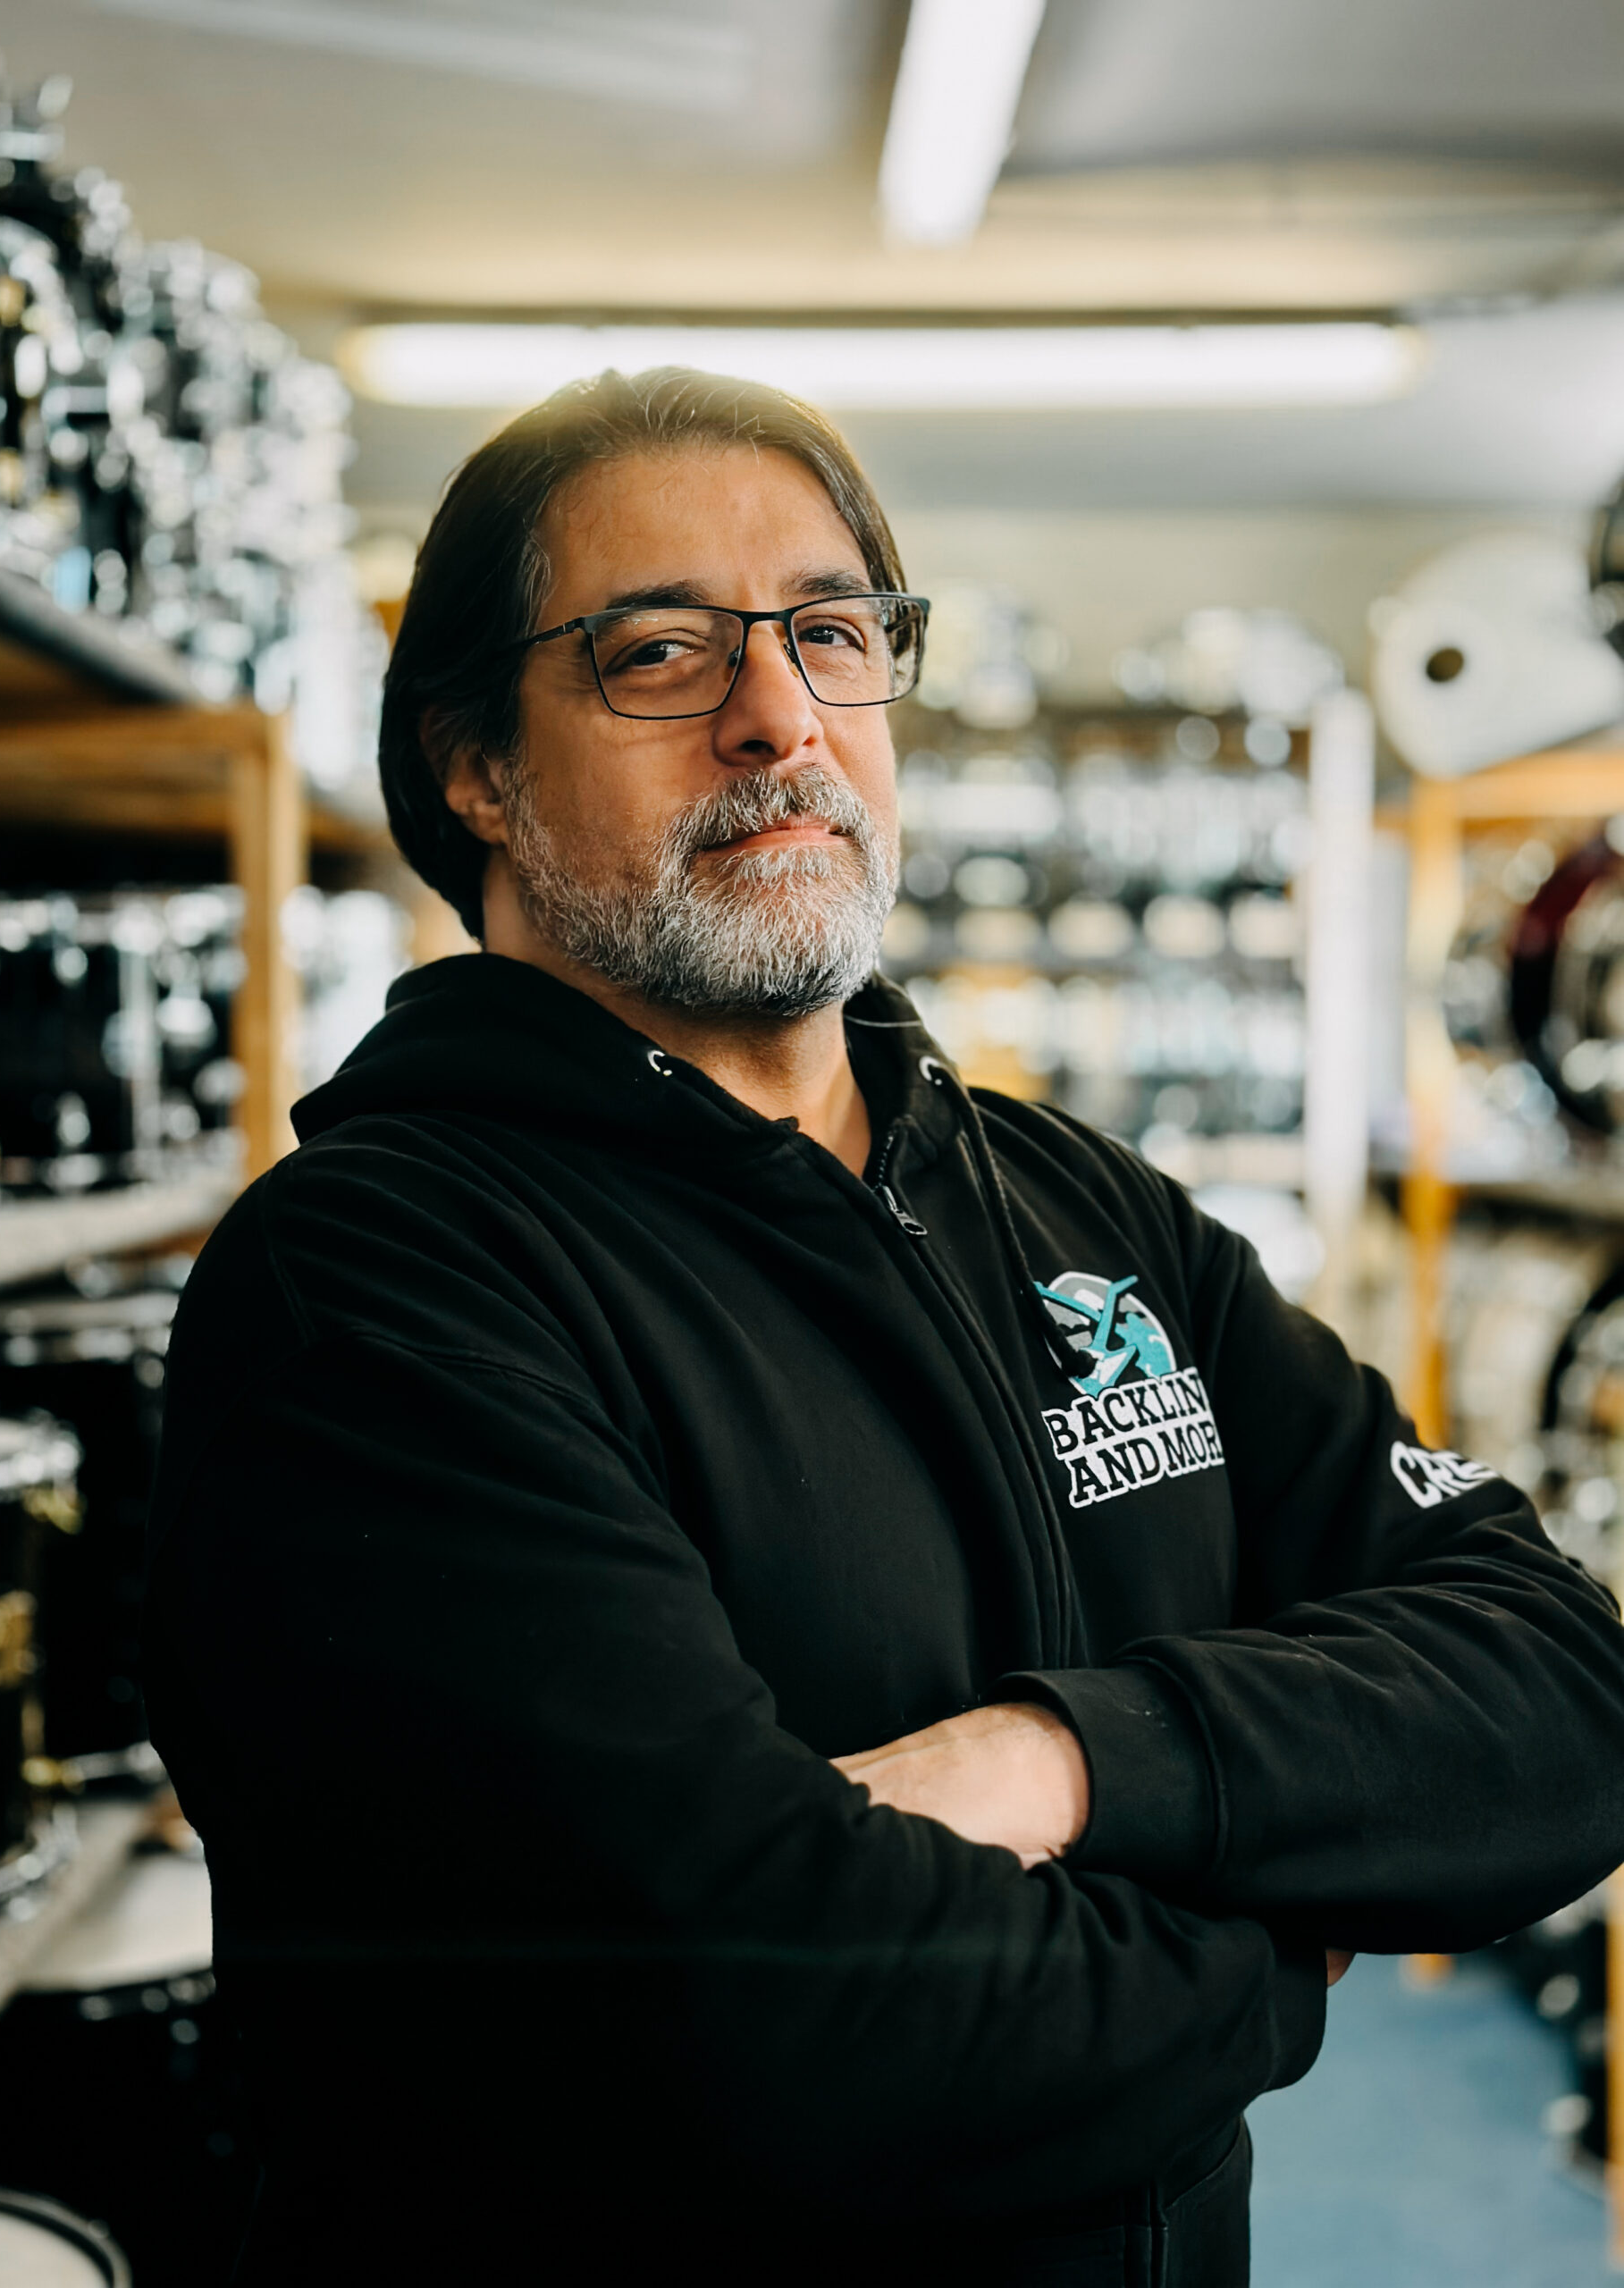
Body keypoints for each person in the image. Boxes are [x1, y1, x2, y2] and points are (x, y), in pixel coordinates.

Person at [146, 367, 1624, 2288]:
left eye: (834, 634)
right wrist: (1280, 1940)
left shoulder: (1081, 1206)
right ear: (473, 767)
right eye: (658, 651)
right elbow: (768, 2023)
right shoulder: (369, 1286)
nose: (780, 715)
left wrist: (1070, 1761)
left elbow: (1564, 1687)